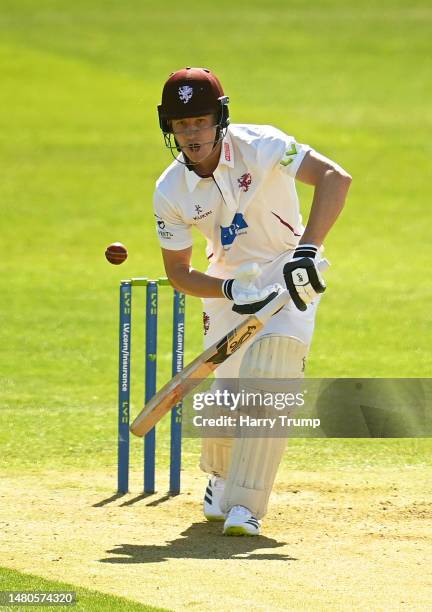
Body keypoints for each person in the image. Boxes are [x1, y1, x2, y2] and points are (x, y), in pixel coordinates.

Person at [153, 67, 351, 536]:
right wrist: (227, 290)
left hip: (289, 270)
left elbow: (334, 178)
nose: (193, 134)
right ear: (170, 129)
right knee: (229, 395)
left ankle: (247, 506)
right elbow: (178, 273)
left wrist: (308, 250)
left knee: (273, 372)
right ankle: (221, 479)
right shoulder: (169, 190)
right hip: (227, 285)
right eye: (182, 125)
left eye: (201, 121)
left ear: (219, 119)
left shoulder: (262, 144)